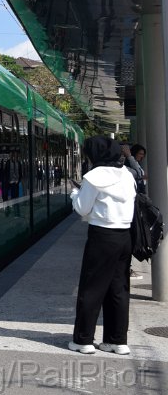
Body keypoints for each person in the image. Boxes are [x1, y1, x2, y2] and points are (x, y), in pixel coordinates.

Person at [68, 136, 136, 356]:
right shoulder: (127, 175)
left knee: (91, 288)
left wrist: (74, 194)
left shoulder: (94, 176)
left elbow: (82, 208)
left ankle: (83, 340)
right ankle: (117, 341)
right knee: (119, 289)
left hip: (102, 237)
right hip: (125, 237)